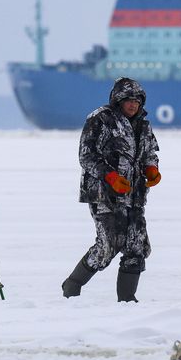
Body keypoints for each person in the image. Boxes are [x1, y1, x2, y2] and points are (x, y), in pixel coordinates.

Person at [61, 77, 162, 302]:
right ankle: (72, 285)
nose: (133, 105)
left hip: (134, 195)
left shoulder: (144, 124)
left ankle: (127, 300)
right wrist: (110, 176)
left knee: (137, 246)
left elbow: (149, 153)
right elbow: (86, 156)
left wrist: (152, 169)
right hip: (104, 194)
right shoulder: (100, 119)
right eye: (128, 100)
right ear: (118, 100)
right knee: (108, 245)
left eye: (137, 100)